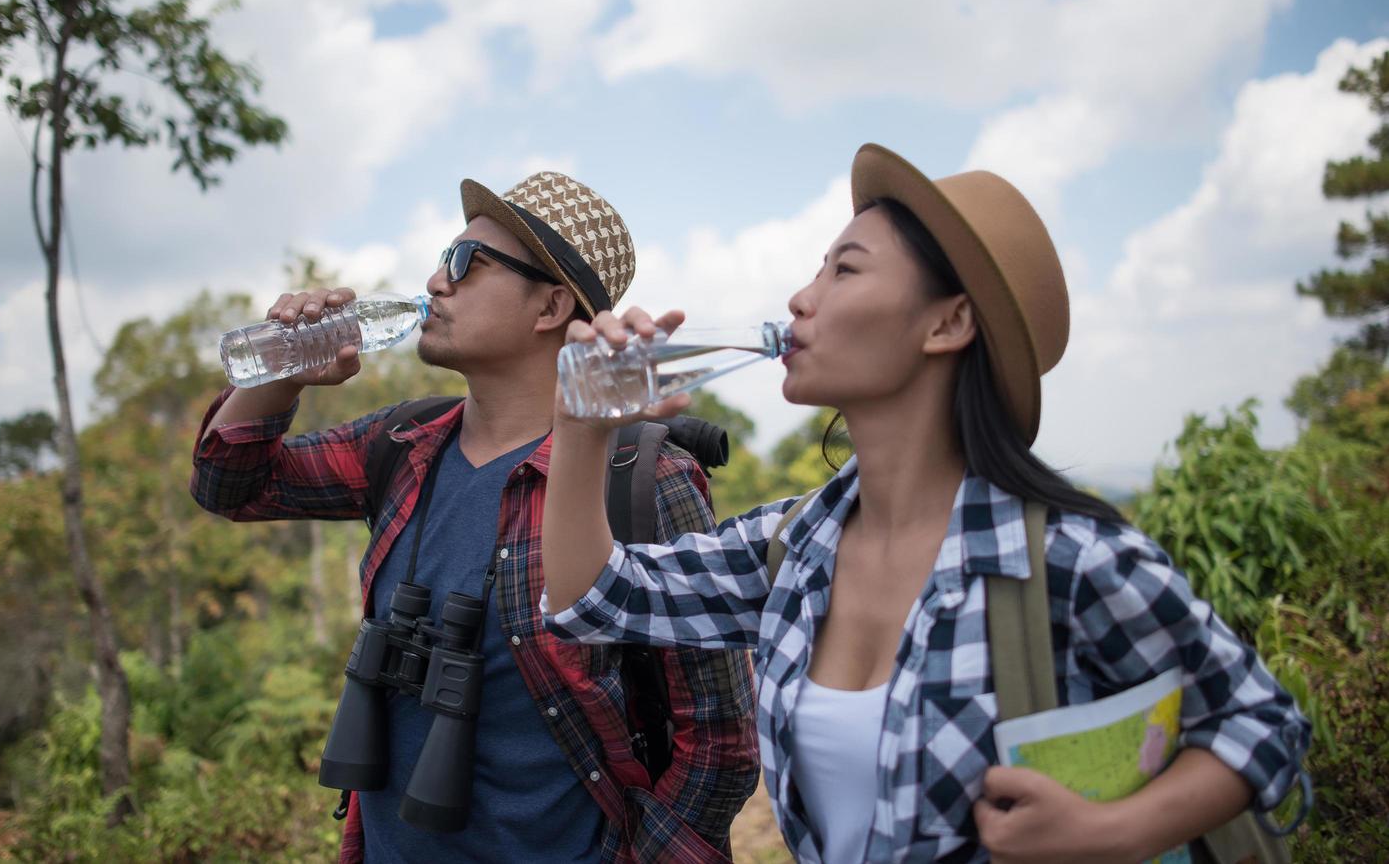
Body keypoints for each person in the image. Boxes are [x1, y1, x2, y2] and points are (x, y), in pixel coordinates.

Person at [538, 145, 1311, 863]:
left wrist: (1106, 832)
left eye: (844, 271)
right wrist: (579, 430)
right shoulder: (798, 545)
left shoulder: (1063, 558)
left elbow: (1261, 724)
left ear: (947, 322)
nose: (800, 300)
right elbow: (589, 598)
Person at [191, 171, 760, 863]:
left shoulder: (641, 480)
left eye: (466, 264)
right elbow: (230, 485)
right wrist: (286, 366)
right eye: (442, 258)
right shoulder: (404, 445)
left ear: (550, 307)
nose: (435, 281)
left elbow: (719, 741)